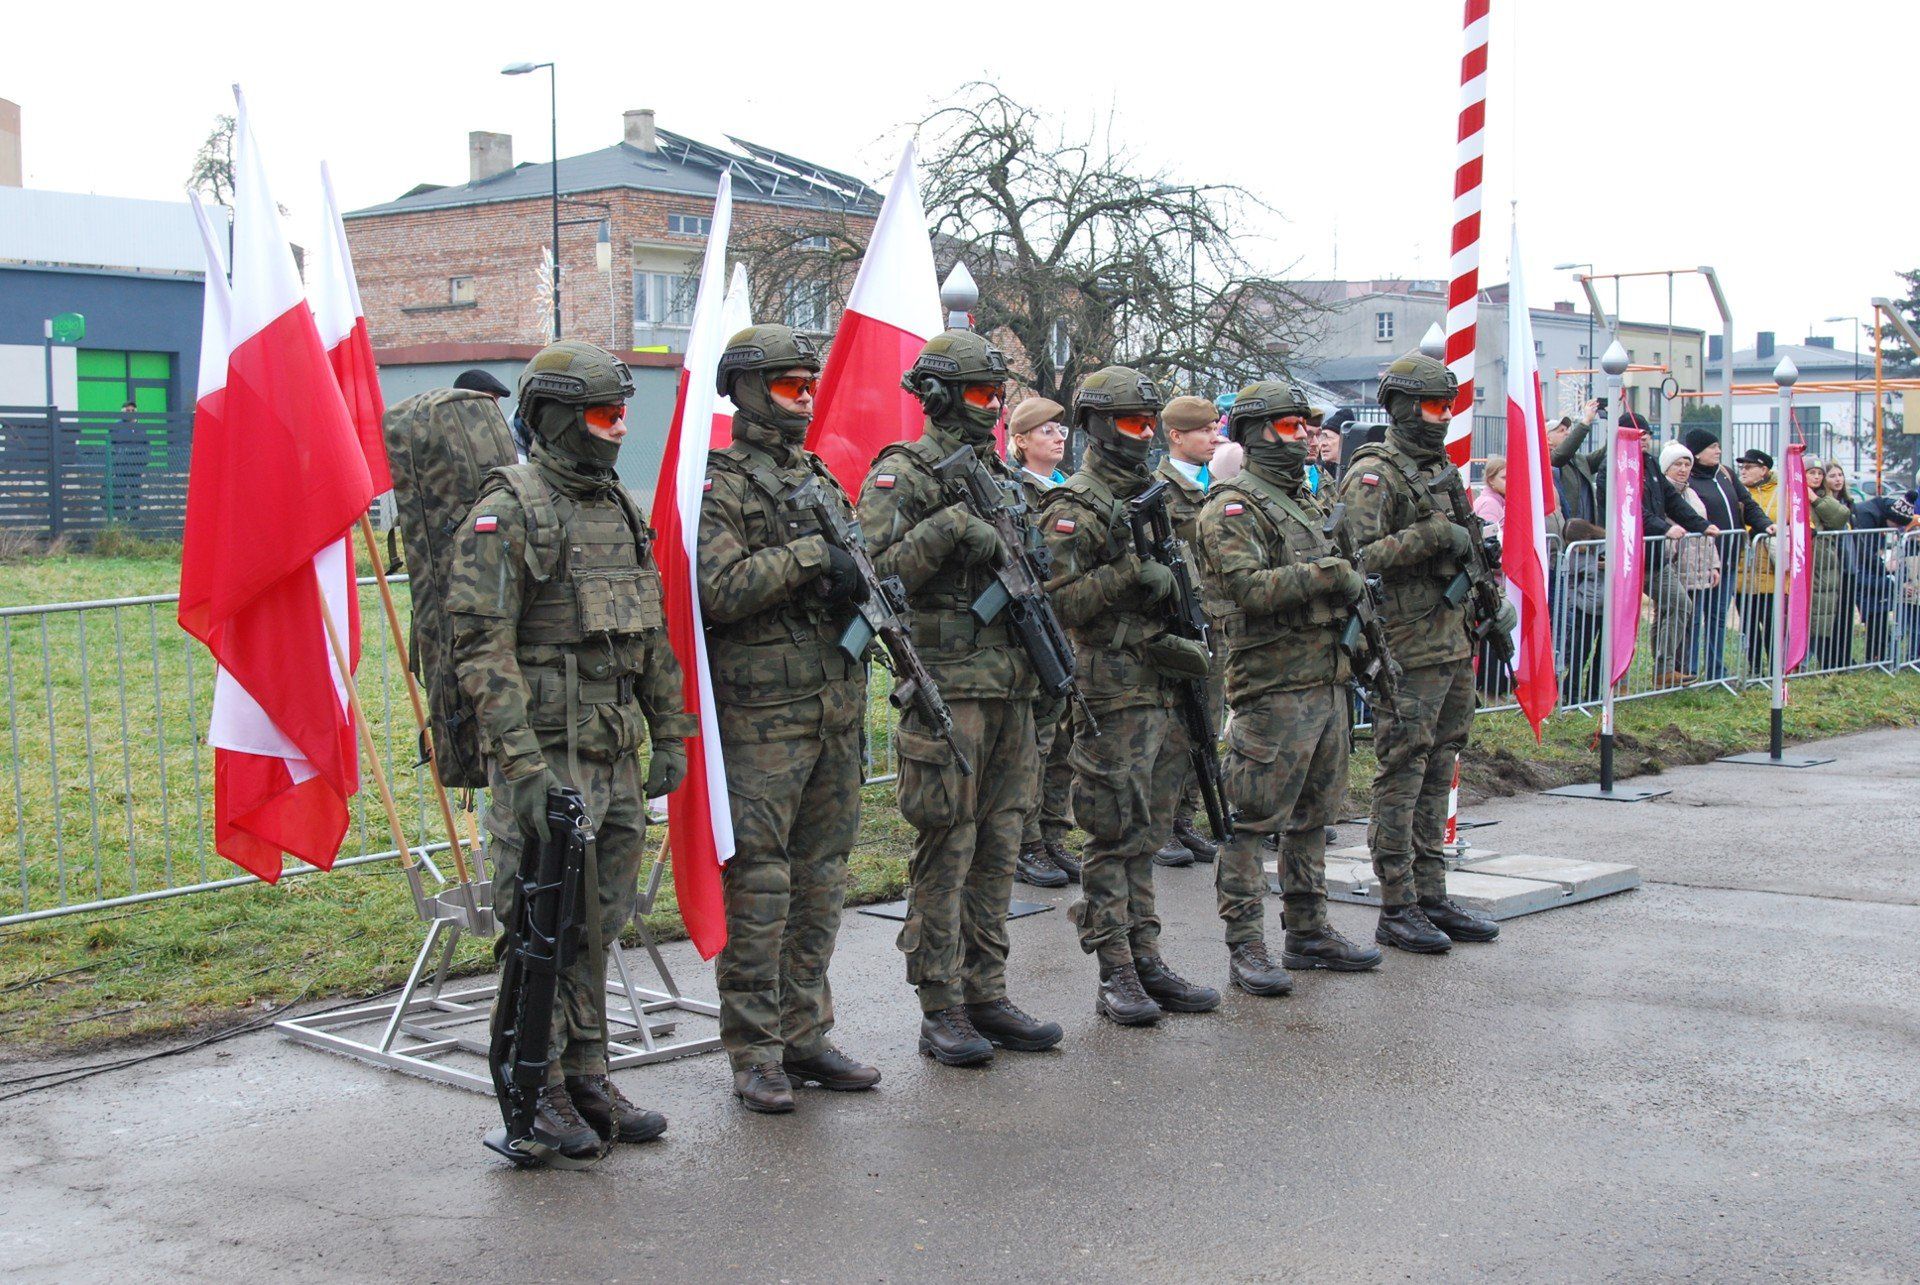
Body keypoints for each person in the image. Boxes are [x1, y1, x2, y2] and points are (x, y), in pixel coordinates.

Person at [448, 340, 694, 1162]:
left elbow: (650, 633)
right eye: (601, 413)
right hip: (549, 758)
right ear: (555, 416)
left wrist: (673, 733)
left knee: (599, 921)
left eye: (622, 411)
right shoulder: (509, 508)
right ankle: (535, 1085)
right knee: (537, 926)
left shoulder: (617, 505)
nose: (618, 427)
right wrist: (519, 767)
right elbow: (482, 648)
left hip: (613, 752)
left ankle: (588, 1073)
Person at [857, 330, 1063, 1066]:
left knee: (1001, 841)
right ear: (942, 395)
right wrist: (947, 530)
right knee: (950, 845)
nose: (993, 408)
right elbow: (872, 576)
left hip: (1009, 687)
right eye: (980, 394)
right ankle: (939, 1003)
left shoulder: (998, 475)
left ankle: (987, 989)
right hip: (950, 691)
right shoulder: (903, 473)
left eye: (998, 396)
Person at [697, 324, 879, 1113]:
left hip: (834, 708)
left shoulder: (819, 474)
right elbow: (719, 587)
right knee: (764, 884)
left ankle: (806, 1031)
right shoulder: (720, 483)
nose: (804, 397)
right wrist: (811, 560)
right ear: (744, 388)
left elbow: (857, 567)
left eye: (809, 383)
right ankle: (756, 1049)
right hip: (764, 718)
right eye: (787, 384)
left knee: (822, 878)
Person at [1043, 366, 1221, 1025]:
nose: (1142, 434)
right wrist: (1130, 573)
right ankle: (1114, 966)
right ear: (1095, 424)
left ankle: (1146, 953)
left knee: (1146, 827)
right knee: (1113, 828)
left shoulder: (1151, 494)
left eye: (1149, 423)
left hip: (1160, 683)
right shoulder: (1075, 506)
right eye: (1130, 422)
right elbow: (1062, 601)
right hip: (1111, 688)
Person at [1192, 379, 1382, 994]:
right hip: (1272, 686)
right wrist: (1331, 574)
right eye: (1287, 425)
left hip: (1325, 677)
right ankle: (1246, 946)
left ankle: (1308, 930)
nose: (1302, 435)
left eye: (1305, 425)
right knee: (1251, 821)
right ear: (1253, 433)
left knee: (1310, 817)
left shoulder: (1307, 497)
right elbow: (1248, 590)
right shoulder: (1233, 506)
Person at [1334, 350, 1507, 954]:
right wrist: (1431, 537)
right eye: (1433, 406)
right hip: (1407, 644)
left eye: (1448, 407)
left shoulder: (1441, 470)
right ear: (1404, 407)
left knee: (1441, 768)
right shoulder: (1374, 472)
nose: (1441, 417)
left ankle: (1431, 892)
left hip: (1451, 641)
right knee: (1404, 771)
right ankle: (1397, 902)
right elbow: (1356, 558)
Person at [1150, 393, 1229, 869]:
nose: (1214, 438)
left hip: (1213, 621)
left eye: (1216, 429)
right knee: (1177, 729)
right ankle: (1160, 828)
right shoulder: (1158, 491)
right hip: (1180, 624)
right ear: (1176, 435)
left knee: (1207, 724)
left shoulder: (1214, 487)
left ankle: (1185, 819)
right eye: (1204, 431)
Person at [1006, 395, 1077, 889]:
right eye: (1047, 430)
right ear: (1020, 441)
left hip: (1065, 628)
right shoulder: (1014, 493)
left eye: (1061, 430)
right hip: (1031, 632)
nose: (1058, 437)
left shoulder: (1064, 492)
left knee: (1060, 741)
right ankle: (1025, 842)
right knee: (1033, 742)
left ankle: (1051, 832)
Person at [1680, 428, 1772, 681]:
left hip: (1730, 558)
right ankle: (1690, 670)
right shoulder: (1690, 482)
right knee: (1695, 619)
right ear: (1697, 453)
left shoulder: (1725, 475)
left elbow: (1748, 505)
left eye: (1718, 446)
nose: (1718, 451)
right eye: (1712, 447)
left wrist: (1765, 524)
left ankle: (1716, 670)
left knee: (1718, 617)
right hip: (1702, 562)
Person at [1848, 493, 1914, 663]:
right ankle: (1875, 657)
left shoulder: (1883, 512)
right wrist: (1884, 566)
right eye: (1897, 524)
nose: (1897, 529)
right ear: (1891, 517)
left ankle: (1878, 656)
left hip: (1871, 571)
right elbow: (1864, 552)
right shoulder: (1867, 516)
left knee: (1879, 614)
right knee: (1874, 613)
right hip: (1861, 571)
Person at [1735, 449, 1782, 675]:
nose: (1743, 471)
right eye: (1742, 467)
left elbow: (1803, 524)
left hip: (1771, 570)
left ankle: (1775, 669)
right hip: (1743, 567)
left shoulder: (1782, 493)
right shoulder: (1735, 491)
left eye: (1749, 467)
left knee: (1771, 623)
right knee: (1748, 624)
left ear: (1764, 470)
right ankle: (1755, 668)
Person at [1557, 519, 1607, 705]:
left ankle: (1594, 694)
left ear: (1587, 536)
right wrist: (1573, 602)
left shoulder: (1606, 544)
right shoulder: (1572, 555)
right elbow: (1569, 581)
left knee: (1602, 654)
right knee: (1580, 652)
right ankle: (1572, 694)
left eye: (1577, 544)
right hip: (1584, 608)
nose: (1576, 548)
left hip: (1607, 608)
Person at [1550, 400, 1607, 526]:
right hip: (1566, 530)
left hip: (1585, 529)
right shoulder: (1547, 459)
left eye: (1568, 430)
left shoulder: (1579, 460)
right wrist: (1586, 421)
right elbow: (1563, 453)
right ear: (1547, 439)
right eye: (1561, 430)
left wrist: (1612, 424)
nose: (1567, 433)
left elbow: (1605, 454)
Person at [1472, 455, 1507, 533]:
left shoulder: (1493, 500)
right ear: (1491, 480)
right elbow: (1488, 538)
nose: (1509, 482)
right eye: (1504, 478)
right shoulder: (1490, 504)